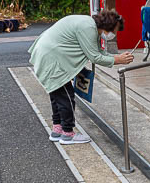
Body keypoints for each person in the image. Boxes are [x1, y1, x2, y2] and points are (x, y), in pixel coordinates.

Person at [28, 10, 134, 144]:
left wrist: (115, 57)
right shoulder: (88, 28)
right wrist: (117, 60)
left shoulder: (89, 24)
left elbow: (98, 52)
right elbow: (94, 57)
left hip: (49, 55)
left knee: (57, 97)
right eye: (115, 30)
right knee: (66, 97)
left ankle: (57, 131)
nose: (114, 34)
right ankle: (68, 134)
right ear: (108, 25)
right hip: (53, 60)